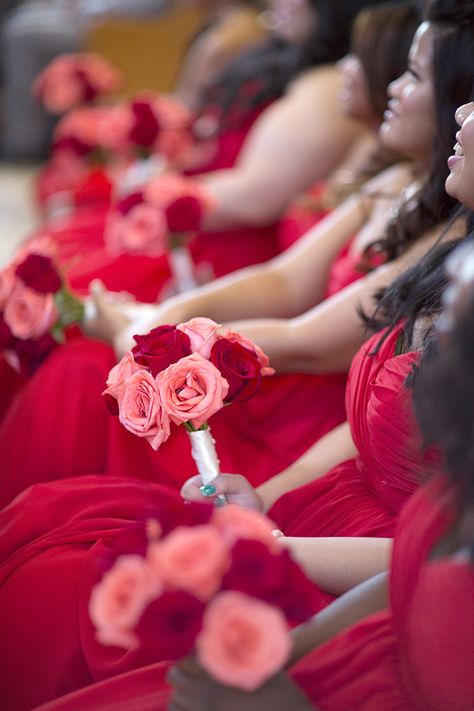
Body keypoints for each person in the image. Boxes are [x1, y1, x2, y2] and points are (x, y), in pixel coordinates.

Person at [6, 96, 474, 711]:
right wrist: (269, 500)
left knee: (74, 568)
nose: (464, 110)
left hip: (365, 563)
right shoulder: (447, 248)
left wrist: (271, 549)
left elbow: (424, 553)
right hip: (329, 503)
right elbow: (376, 422)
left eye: (416, 73)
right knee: (59, 541)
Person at [2, 2, 472, 508]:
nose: (395, 88)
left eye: (414, 76)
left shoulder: (445, 241)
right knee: (80, 351)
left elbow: (305, 341)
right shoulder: (395, 182)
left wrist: (165, 333)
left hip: (297, 411)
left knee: (78, 379)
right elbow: (284, 280)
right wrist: (170, 317)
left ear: (452, 98)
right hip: (278, 372)